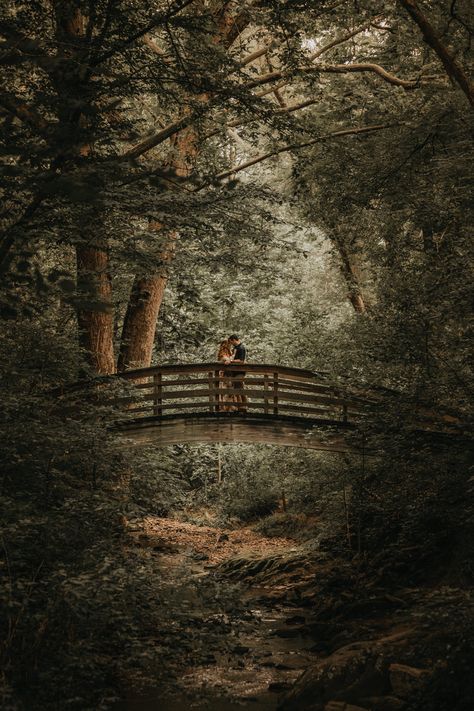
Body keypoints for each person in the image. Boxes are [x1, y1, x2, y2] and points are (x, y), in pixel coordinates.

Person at [228, 334, 247, 412]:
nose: (231, 344)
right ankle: (239, 406)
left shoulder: (241, 348)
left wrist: (231, 361)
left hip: (240, 371)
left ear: (234, 340)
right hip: (234, 372)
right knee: (236, 388)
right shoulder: (235, 348)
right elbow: (233, 356)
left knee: (240, 388)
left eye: (231, 342)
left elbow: (241, 361)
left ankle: (244, 406)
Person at [216, 339, 236, 411]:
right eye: (229, 344)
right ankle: (224, 408)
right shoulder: (222, 354)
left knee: (230, 391)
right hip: (224, 375)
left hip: (229, 374)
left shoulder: (229, 353)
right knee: (225, 391)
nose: (230, 346)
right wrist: (232, 357)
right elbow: (226, 360)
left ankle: (229, 407)